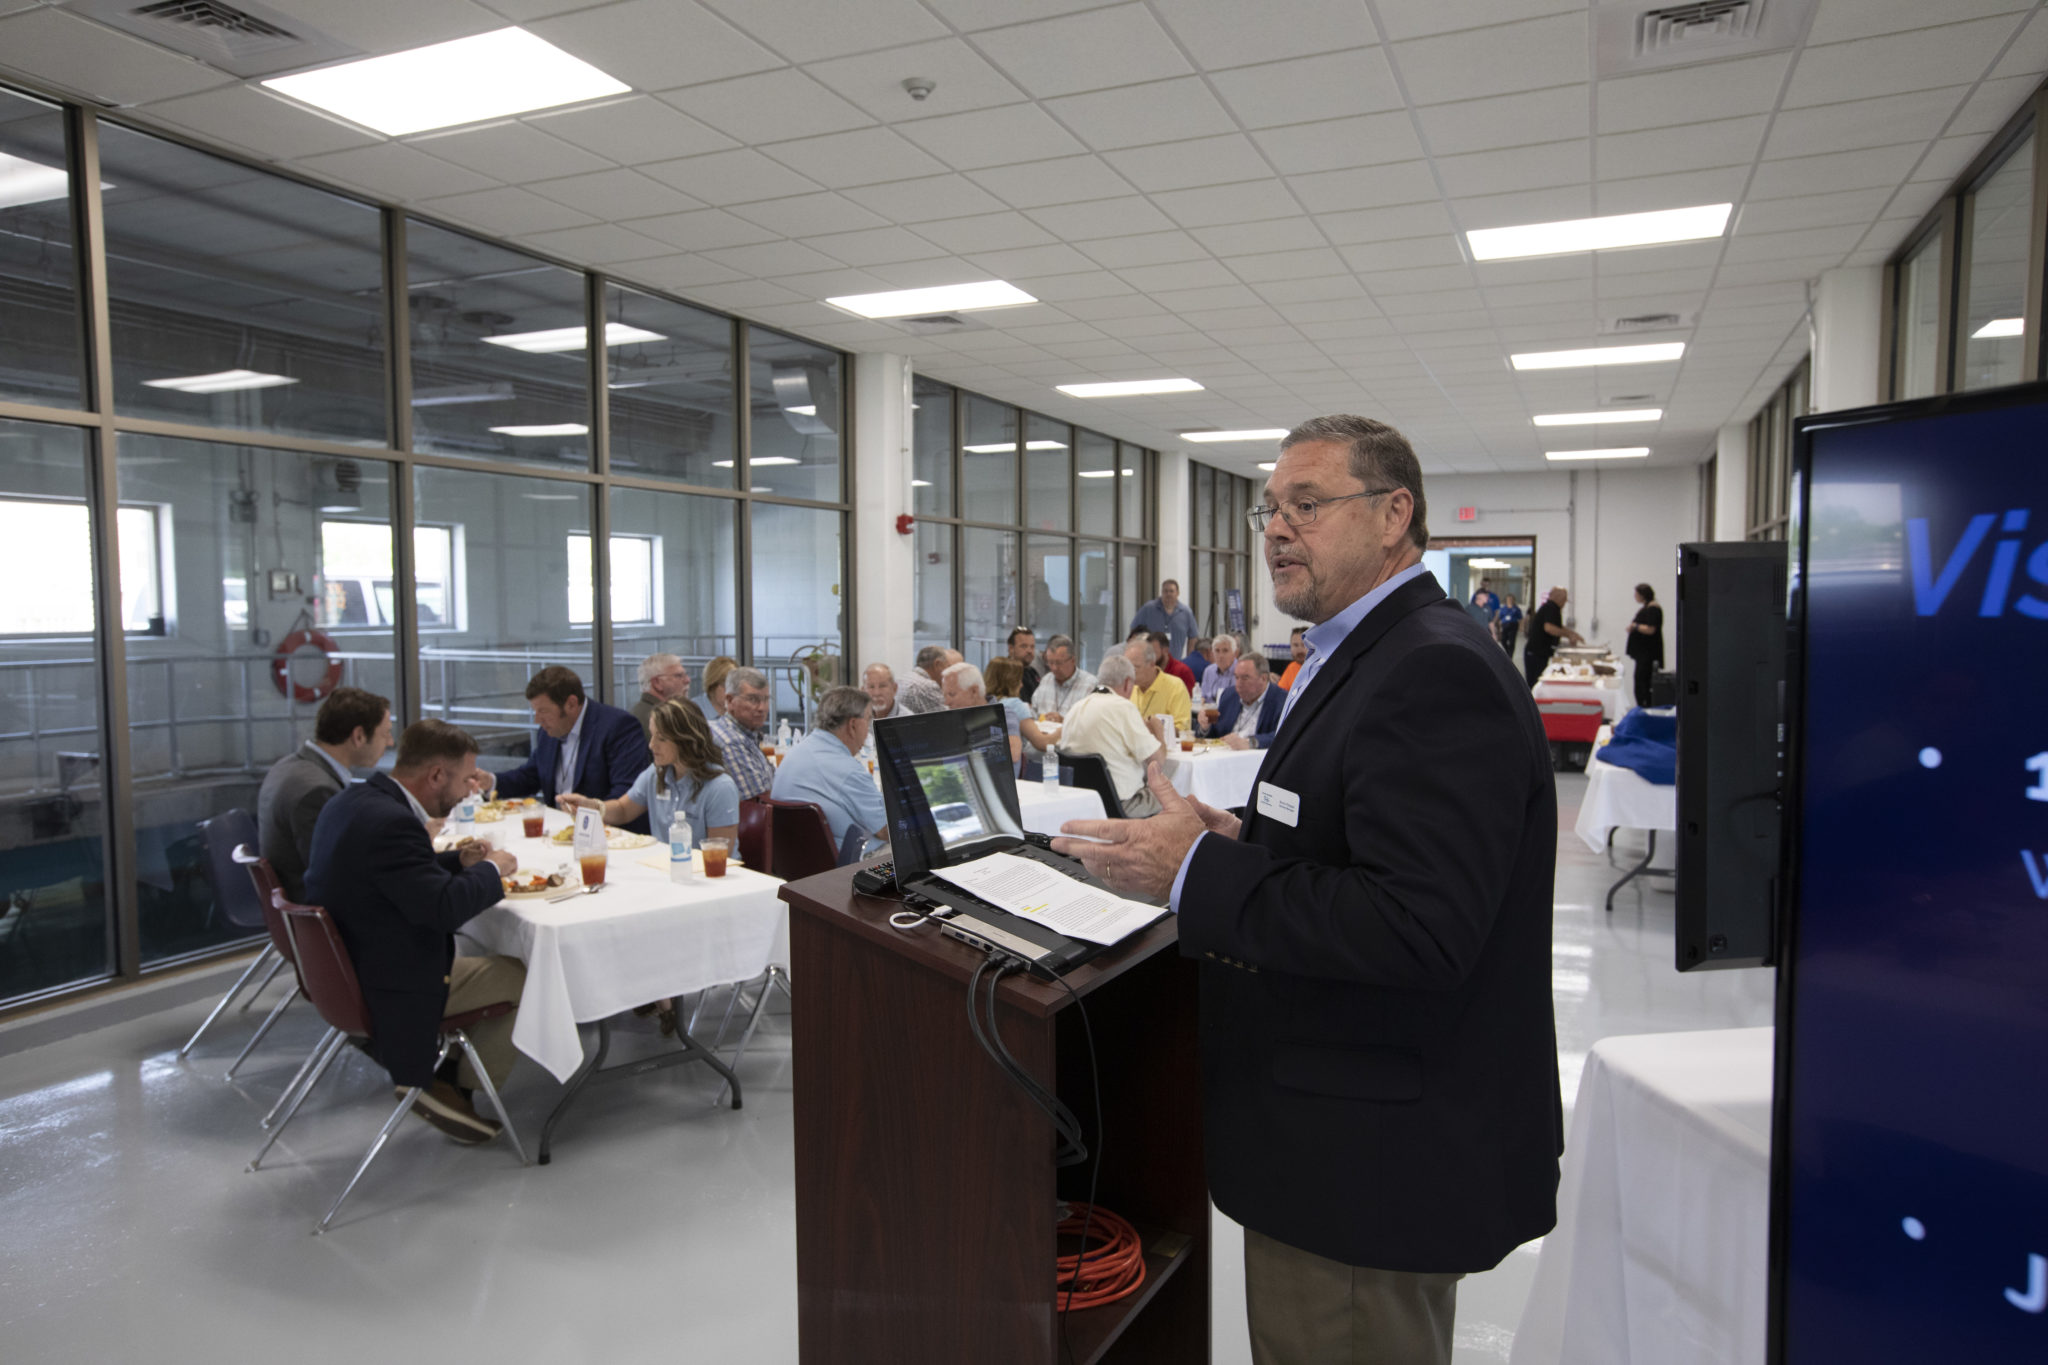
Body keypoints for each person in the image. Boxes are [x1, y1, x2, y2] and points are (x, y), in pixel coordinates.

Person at [1053, 413, 1561, 1365]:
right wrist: (1232, 838)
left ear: (1393, 515)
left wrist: (1194, 872)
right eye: (1270, 508)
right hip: (1342, 1142)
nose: (1277, 528)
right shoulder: (1363, 650)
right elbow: (1351, 844)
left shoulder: (1432, 668)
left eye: (1309, 505)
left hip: (1367, 1165)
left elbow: (1418, 926)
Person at [303, 720, 527, 1147]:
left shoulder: (354, 800)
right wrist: (492, 869)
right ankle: (455, 1089)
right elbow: (443, 910)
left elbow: (397, 881)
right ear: (437, 775)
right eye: (465, 780)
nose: (468, 791)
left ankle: (447, 1072)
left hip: (341, 972)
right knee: (527, 974)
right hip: (389, 982)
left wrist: (457, 865)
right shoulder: (394, 824)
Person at [257, 685, 391, 902]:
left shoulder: (289, 765)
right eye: (386, 734)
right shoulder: (317, 790)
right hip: (317, 913)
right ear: (358, 736)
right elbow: (333, 872)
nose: (391, 742)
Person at [560, 700, 739, 851]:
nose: (651, 745)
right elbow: (623, 810)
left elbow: (719, 854)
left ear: (686, 740)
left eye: (661, 739)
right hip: (666, 869)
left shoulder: (719, 787)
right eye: (652, 736)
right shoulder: (656, 773)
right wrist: (591, 806)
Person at [490, 667, 650, 830]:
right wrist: (491, 782)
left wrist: (591, 814)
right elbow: (532, 775)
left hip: (605, 833)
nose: (538, 720)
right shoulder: (549, 731)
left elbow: (626, 793)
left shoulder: (618, 726)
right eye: (535, 711)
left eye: (543, 711)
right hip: (558, 829)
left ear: (571, 704)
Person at [770, 685, 886, 859]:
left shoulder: (796, 752)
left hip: (798, 865)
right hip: (850, 866)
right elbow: (887, 830)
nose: (868, 731)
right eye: (868, 720)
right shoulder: (849, 771)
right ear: (853, 725)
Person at [1058, 653, 1170, 817]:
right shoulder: (1123, 707)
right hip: (1122, 804)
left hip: (1083, 802)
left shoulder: (1076, 708)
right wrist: (1158, 731)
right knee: (1173, 794)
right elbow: (1158, 761)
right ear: (1127, 683)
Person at [709, 666, 777, 800]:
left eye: (766, 699)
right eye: (753, 700)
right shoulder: (732, 742)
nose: (762, 708)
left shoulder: (748, 733)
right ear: (729, 700)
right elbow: (759, 802)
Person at [945, 660, 1026, 767]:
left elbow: (1013, 754)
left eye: (952, 694)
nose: (947, 702)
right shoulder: (954, 717)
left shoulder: (1004, 714)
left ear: (974, 691)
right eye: (945, 695)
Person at [1206, 654, 1284, 750]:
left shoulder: (1282, 700)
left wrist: (1251, 743)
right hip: (1223, 755)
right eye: (1236, 677)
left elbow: (1283, 735)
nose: (1238, 684)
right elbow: (1215, 732)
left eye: (1245, 678)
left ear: (1263, 678)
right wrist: (1205, 727)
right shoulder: (1229, 695)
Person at [1125, 636, 1192, 740]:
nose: (1130, 673)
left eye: (1136, 667)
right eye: (1128, 668)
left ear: (1151, 664)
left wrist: (1152, 729)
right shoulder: (1128, 687)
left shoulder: (1175, 686)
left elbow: (1183, 730)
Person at [983, 656, 1046, 759]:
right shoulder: (1015, 705)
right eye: (1018, 680)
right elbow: (1041, 743)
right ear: (1011, 681)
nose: (1021, 685)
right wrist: (1062, 731)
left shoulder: (985, 703)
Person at [1523, 586, 1585, 688]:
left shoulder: (1552, 608)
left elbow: (1558, 627)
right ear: (1559, 598)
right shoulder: (1551, 608)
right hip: (1536, 653)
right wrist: (1569, 635)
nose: (1564, 603)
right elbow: (1549, 628)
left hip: (1539, 653)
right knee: (1535, 684)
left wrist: (1572, 634)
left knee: (1535, 682)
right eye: (1564, 600)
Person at [1130, 578, 1200, 657]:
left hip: (1175, 662)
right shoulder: (1148, 609)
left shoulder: (1186, 612)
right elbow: (1134, 631)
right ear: (1161, 593)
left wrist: (1189, 659)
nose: (1168, 594)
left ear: (1177, 593)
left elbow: (1193, 637)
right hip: (1151, 661)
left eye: (1171, 591)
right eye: (1165, 591)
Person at [1030, 634, 1096, 717]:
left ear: (1073, 660)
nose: (1054, 668)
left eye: (1058, 663)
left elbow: (1092, 722)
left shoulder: (1090, 685)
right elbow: (1033, 712)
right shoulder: (1046, 680)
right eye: (1050, 662)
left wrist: (1064, 722)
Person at [1626, 582, 1665, 709]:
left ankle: (1644, 706)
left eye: (1636, 594)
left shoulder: (1653, 609)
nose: (1635, 596)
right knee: (1640, 681)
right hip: (1642, 654)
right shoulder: (1647, 608)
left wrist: (1635, 626)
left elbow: (1650, 629)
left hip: (1647, 654)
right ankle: (1642, 705)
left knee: (1643, 682)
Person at [631, 653, 690, 729]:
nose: (687, 680)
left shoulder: (664, 713)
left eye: (686, 674)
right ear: (657, 683)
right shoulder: (653, 718)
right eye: (678, 676)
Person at [896, 645, 955, 715]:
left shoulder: (903, 678)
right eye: (948, 667)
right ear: (937, 664)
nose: (950, 672)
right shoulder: (927, 686)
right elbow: (945, 718)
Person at [1199, 633, 1240, 706]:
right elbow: (1203, 697)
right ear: (1212, 653)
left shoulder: (1240, 670)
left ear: (1235, 653)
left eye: (1225, 651)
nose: (1221, 656)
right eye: (1217, 651)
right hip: (1210, 712)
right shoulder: (1209, 671)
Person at [697, 656, 739, 722]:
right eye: (728, 686)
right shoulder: (693, 711)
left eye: (736, 686)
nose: (733, 692)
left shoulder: (738, 710)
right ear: (712, 685)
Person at [1005, 627, 1041, 699]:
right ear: (1011, 648)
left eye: (1032, 646)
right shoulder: (1005, 673)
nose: (1029, 651)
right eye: (1024, 646)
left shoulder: (1032, 672)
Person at [1495, 594, 1524, 660]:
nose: (1510, 600)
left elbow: (1521, 619)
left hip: (1513, 625)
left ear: (1513, 600)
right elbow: (1499, 618)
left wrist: (1521, 627)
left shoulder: (1516, 609)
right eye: (1508, 599)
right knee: (1503, 640)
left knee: (1512, 641)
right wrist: (1499, 628)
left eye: (1511, 599)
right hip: (1505, 625)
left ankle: (1510, 656)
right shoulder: (1503, 608)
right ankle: (1508, 651)